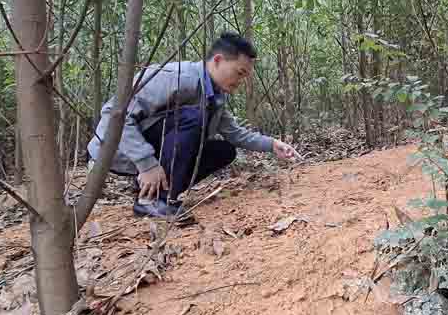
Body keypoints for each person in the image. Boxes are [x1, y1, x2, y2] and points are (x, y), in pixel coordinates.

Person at [87, 32, 300, 220]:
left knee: (224, 151)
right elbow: (114, 114)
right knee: (193, 117)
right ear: (217, 60)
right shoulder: (178, 77)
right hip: (116, 151)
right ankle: (153, 200)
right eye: (240, 72)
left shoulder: (214, 96)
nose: (241, 81)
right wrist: (147, 164)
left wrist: (272, 144)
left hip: (148, 149)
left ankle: (155, 191)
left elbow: (235, 134)